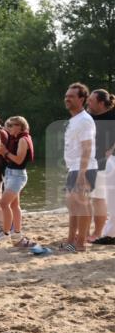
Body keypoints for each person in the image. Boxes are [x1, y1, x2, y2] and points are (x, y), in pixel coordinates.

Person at [62, 83, 98, 252]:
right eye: (66, 96)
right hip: (74, 167)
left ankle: (81, 243)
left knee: (81, 205)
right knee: (73, 206)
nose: (67, 99)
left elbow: (87, 148)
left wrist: (82, 173)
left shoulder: (84, 120)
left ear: (82, 99)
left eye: (71, 96)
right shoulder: (74, 120)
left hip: (84, 168)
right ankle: (71, 241)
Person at [0, 116, 34, 246]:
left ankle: (6, 232)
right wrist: (2, 152)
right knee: (14, 205)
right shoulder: (15, 139)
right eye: (8, 125)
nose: (9, 128)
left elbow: (18, 160)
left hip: (18, 176)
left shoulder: (23, 140)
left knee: (3, 203)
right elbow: (11, 160)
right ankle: (17, 233)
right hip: (11, 174)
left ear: (20, 126)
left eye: (12, 125)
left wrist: (5, 152)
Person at [87, 89, 115, 244]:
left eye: (91, 100)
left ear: (101, 103)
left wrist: (111, 149)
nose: (88, 103)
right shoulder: (89, 116)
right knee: (95, 199)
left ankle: (98, 233)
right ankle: (98, 232)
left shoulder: (112, 116)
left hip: (106, 163)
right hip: (89, 161)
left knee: (99, 199)